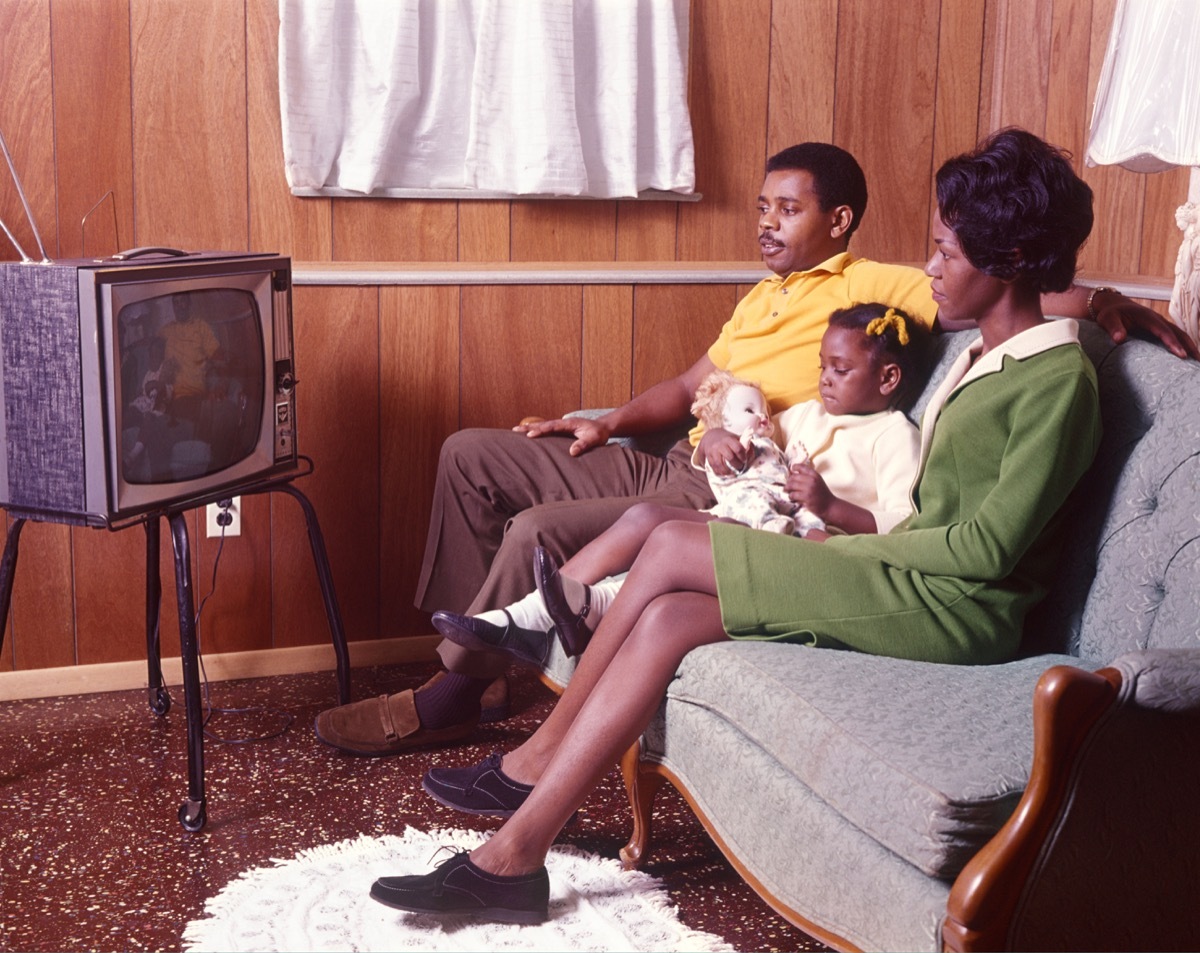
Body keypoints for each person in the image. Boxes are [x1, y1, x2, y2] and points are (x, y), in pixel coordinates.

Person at [367, 127, 1105, 924]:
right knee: (669, 614)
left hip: (960, 609)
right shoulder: (980, 353)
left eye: (947, 254)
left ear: (1009, 262)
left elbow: (987, 549)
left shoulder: (1058, 379)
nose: (930, 269)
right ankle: (516, 853)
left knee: (673, 537)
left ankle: (538, 755)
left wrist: (857, 540)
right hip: (911, 578)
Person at [314, 139, 1197, 758]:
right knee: (474, 452)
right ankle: (495, 677)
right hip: (685, 453)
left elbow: (1012, 285)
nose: (767, 224)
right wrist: (607, 420)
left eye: (788, 209)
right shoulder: (761, 297)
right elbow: (689, 378)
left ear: (841, 220)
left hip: (753, 485)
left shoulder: (880, 285)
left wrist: (1114, 301)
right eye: (763, 207)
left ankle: (456, 691)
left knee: (550, 530)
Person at [426, 303, 932, 670]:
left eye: (839, 370)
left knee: (634, 534)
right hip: (738, 505)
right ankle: (535, 614)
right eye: (821, 366)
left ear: (888, 379)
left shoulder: (894, 437)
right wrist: (714, 438)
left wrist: (832, 507)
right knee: (644, 519)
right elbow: (749, 453)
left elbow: (901, 527)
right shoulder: (804, 412)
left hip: (805, 547)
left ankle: (525, 627)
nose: (824, 379)